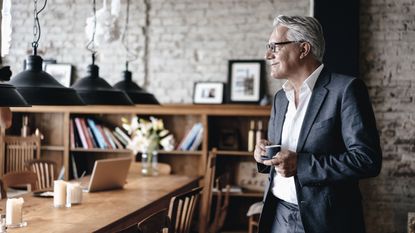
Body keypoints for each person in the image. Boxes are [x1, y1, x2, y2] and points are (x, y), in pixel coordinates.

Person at [254, 15, 382, 233]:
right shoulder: (280, 98)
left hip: (325, 222)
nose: (268, 55)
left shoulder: (346, 90)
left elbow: (367, 160)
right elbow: (281, 156)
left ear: (303, 49)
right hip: (277, 215)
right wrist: (263, 154)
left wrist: (301, 165)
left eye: (274, 46)